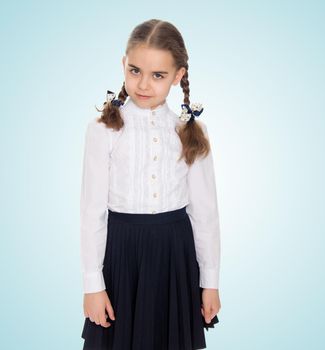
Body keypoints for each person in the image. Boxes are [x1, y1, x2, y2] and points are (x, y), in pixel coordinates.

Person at [80, 18, 221, 350]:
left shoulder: (191, 133)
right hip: (121, 254)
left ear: (178, 76)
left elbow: (205, 213)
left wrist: (210, 281)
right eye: (135, 71)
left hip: (175, 254)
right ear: (123, 65)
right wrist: (92, 285)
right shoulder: (102, 130)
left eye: (158, 75)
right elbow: (92, 213)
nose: (143, 84)